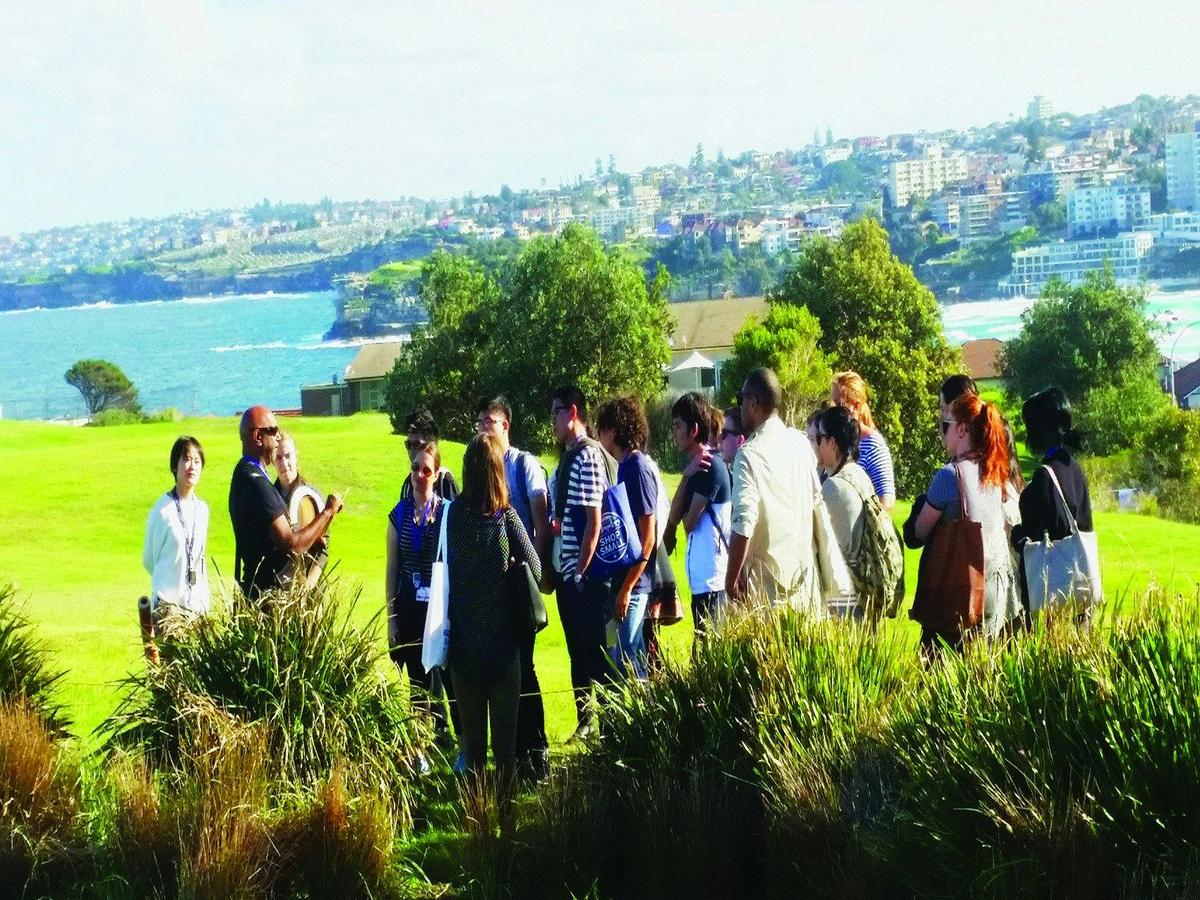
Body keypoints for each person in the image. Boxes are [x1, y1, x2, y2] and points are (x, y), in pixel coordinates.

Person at [445, 434, 542, 794]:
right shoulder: (507, 518)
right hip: (503, 652)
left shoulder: (453, 516)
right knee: (505, 753)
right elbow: (536, 568)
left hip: (464, 650)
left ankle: (476, 828)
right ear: (498, 472)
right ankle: (507, 827)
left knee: (472, 752)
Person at [475, 396, 550, 779]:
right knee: (507, 671)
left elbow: (539, 521)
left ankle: (536, 751)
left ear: (506, 426)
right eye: (480, 423)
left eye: (489, 422)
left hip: (520, 588)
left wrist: (529, 579)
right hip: (493, 595)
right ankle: (514, 754)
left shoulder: (524, 465)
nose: (483, 428)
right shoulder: (480, 469)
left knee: (526, 668)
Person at [912, 394, 1022, 653]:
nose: (942, 433)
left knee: (937, 675)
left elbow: (919, 531)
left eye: (944, 425)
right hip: (994, 593)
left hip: (958, 595)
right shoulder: (995, 475)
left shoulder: (951, 476)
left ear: (961, 429)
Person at [549, 385, 616, 740]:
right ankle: (585, 719)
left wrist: (580, 571)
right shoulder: (567, 455)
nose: (553, 421)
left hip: (585, 576)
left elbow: (595, 520)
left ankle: (605, 723)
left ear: (573, 412)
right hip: (567, 570)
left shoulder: (588, 455)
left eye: (557, 412)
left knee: (593, 651)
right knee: (577, 651)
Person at [726, 368, 824, 610]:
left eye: (741, 399)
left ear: (754, 403)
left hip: (765, 593)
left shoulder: (749, 456)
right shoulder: (801, 445)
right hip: (805, 588)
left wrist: (730, 579)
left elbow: (744, 522)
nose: (739, 407)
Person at [229, 405, 342, 599]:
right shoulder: (255, 482)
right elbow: (292, 546)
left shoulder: (244, 474)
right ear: (257, 437)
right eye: (272, 431)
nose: (277, 437)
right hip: (268, 602)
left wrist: (313, 539)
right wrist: (328, 511)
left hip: (259, 594)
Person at [386, 440, 454, 741]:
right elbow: (391, 569)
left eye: (426, 469)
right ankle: (420, 735)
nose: (420, 474)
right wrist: (391, 617)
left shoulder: (447, 514)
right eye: (415, 468)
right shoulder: (397, 514)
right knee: (416, 677)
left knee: (445, 674)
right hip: (409, 608)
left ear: (437, 474)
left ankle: (449, 731)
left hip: (438, 609)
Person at [1010, 388, 1094, 615]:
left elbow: (1036, 535)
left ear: (1037, 429)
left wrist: (1015, 535)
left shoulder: (1044, 475)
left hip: (1055, 594)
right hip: (1082, 586)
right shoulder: (1074, 467)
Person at [595, 397, 658, 679]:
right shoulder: (624, 467)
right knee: (629, 656)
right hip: (624, 582)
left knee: (627, 662)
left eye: (601, 428)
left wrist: (627, 588)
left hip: (635, 585)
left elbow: (648, 535)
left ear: (613, 430)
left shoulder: (637, 468)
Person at [664, 391, 731, 643]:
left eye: (677, 426)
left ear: (693, 430)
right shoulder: (696, 468)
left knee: (707, 651)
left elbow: (688, 523)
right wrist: (685, 475)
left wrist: (690, 475)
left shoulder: (709, 467)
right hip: (702, 583)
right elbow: (673, 517)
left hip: (713, 581)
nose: (674, 432)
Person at [812, 406, 876, 619]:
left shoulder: (834, 488)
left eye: (818, 438)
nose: (815, 445)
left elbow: (816, 544)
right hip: (865, 592)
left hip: (845, 599)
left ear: (832, 443)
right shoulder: (859, 475)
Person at [143, 436, 211, 617]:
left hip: (196, 609)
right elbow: (148, 560)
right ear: (175, 465)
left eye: (197, 461)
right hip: (167, 610)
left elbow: (200, 559)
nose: (192, 466)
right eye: (187, 459)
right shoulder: (162, 510)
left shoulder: (202, 510)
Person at [832, 371, 896, 511]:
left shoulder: (873, 444)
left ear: (856, 405)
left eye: (839, 404)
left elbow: (887, 499)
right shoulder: (834, 441)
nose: (834, 411)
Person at [273, 430, 328, 589]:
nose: (284, 463)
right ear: (273, 461)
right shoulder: (269, 496)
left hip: (312, 589)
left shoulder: (312, 497)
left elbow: (323, 551)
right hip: (279, 590)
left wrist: (307, 586)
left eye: (288, 456)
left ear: (296, 456)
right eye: (278, 458)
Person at [399, 409, 459, 501]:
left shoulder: (445, 482)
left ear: (431, 446)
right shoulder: (408, 483)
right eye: (408, 445)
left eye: (416, 445)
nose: (411, 451)